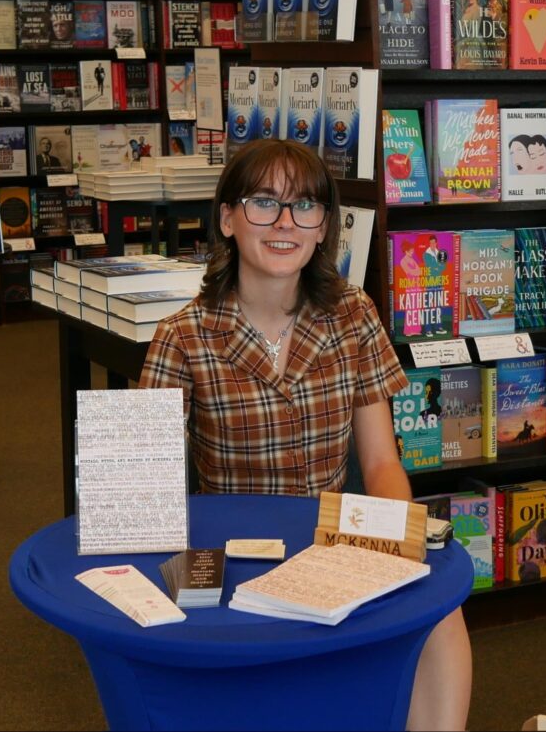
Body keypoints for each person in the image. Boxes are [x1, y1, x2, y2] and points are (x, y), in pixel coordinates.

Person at [138, 138, 472, 731]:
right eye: (264, 202)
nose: (285, 223)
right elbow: (149, 488)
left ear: (324, 228)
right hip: (234, 553)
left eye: (306, 207)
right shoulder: (182, 334)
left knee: (439, 609)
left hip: (331, 543)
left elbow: (380, 462)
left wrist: (403, 547)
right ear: (228, 218)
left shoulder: (352, 313)